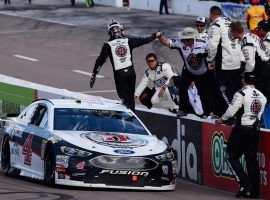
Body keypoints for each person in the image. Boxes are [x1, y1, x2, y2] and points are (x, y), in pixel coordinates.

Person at [216, 72, 267, 198]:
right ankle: (255, 192)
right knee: (251, 160)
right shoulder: (262, 95)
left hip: (242, 129)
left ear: (244, 80)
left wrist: (221, 120)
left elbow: (231, 111)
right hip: (255, 130)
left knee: (230, 156)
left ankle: (245, 183)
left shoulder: (241, 93)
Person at [90, 19, 159, 112]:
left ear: (109, 33)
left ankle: (129, 117)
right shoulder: (128, 40)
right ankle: (132, 114)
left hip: (119, 75)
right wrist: (155, 35)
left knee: (124, 99)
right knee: (130, 97)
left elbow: (100, 61)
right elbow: (144, 40)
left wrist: (94, 74)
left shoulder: (108, 45)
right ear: (121, 30)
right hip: (131, 73)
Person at [157, 27, 216, 117]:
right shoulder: (180, 42)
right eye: (183, 39)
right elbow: (166, 42)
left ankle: (210, 112)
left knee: (205, 92)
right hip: (189, 71)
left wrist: (211, 61)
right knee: (182, 88)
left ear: (192, 38)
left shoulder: (204, 43)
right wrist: (160, 36)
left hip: (204, 72)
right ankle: (183, 110)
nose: (184, 41)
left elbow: (214, 51)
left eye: (186, 39)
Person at [207, 6, 244, 117]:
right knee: (236, 91)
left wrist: (209, 59)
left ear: (211, 14)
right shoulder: (229, 22)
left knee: (223, 91)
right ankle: (239, 114)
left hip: (224, 65)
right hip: (237, 62)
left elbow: (213, 46)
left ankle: (230, 116)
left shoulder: (215, 25)